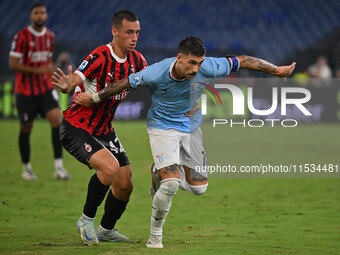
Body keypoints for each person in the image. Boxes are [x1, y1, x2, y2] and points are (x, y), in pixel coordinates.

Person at [67, 37, 295, 248]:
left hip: (192, 127)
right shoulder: (156, 72)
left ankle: (159, 172)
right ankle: (155, 236)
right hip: (162, 128)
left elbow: (243, 60)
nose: (196, 69)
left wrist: (276, 70)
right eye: (191, 63)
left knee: (199, 188)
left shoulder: (209, 67)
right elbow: (125, 83)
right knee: (171, 184)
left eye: (200, 63)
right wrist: (94, 98)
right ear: (179, 59)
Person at [51, 10, 147, 246]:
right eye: (129, 32)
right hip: (77, 127)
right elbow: (75, 78)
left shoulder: (138, 62)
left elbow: (154, 82)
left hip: (105, 131)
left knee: (125, 185)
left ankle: (106, 230)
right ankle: (86, 220)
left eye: (137, 32)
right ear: (115, 31)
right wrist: (66, 85)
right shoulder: (100, 56)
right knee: (109, 168)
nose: (134, 37)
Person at [9, 2, 70, 180]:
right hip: (25, 91)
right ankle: (26, 169)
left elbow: (47, 64)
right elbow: (12, 64)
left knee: (57, 120)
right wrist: (37, 70)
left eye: (42, 13)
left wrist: (55, 78)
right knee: (26, 127)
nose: (40, 15)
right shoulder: (20, 37)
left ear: (46, 16)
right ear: (31, 16)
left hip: (44, 89)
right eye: (36, 13)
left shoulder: (50, 36)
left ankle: (59, 168)